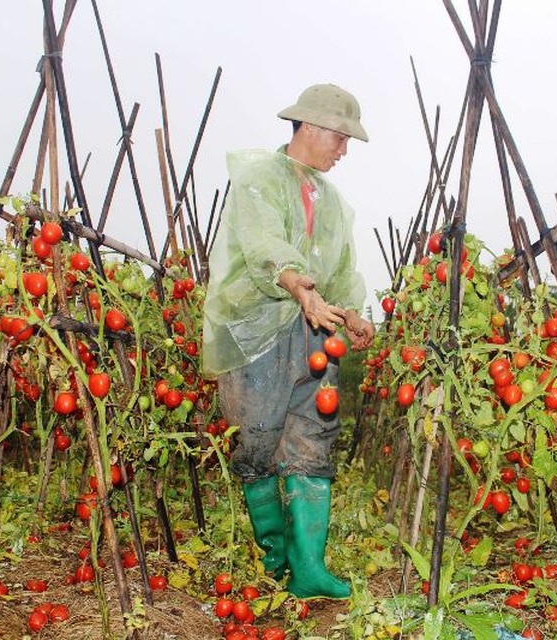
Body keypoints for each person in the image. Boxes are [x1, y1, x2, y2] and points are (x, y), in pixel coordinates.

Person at [202, 83, 375, 599]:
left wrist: (353, 316)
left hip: (314, 330)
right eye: (341, 139)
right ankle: (272, 560)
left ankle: (308, 570)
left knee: (313, 437)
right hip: (257, 330)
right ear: (312, 127)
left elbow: (341, 271)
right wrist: (295, 281)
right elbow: (264, 246)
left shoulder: (333, 202)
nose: (344, 151)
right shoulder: (259, 178)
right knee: (255, 439)